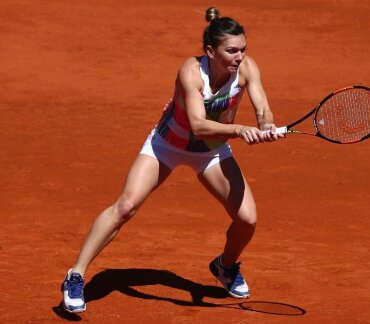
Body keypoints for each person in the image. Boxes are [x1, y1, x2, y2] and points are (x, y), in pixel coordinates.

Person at [61, 7, 284, 313]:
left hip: (211, 152)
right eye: (231, 51)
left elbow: (263, 107)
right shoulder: (191, 71)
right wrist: (239, 129)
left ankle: (225, 266)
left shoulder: (247, 69)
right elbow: (197, 124)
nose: (239, 57)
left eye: (243, 50)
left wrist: (267, 124)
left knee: (247, 220)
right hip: (167, 145)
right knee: (126, 205)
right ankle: (76, 274)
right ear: (210, 51)